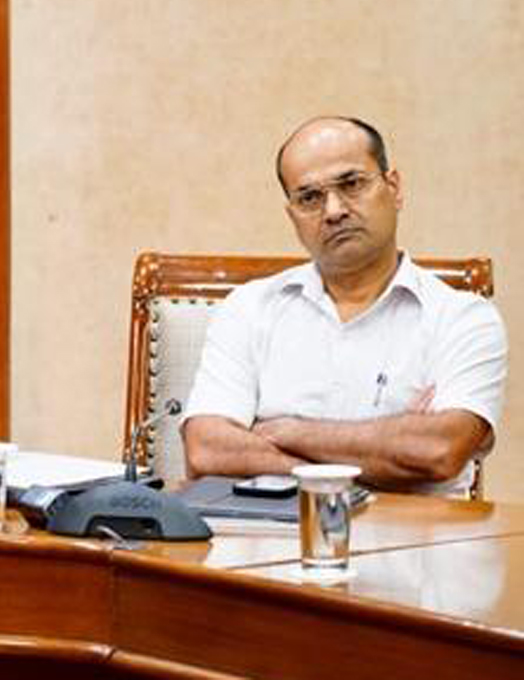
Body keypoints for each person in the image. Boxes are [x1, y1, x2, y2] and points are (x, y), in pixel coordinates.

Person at [180, 116, 506, 495]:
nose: (333, 210)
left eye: (351, 184)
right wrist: (385, 452)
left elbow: (438, 451)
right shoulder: (250, 308)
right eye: (309, 198)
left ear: (394, 188)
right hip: (270, 526)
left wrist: (282, 431)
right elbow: (207, 451)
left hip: (413, 530)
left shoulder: (461, 318)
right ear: (292, 215)